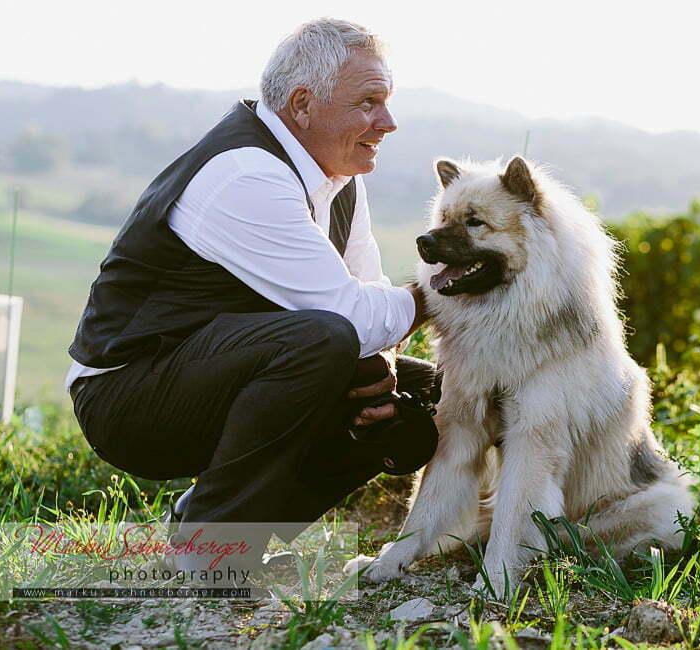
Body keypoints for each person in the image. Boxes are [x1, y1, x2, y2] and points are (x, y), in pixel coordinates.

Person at [64, 18, 434, 569]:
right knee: (322, 339)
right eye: (369, 102)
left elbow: (368, 294)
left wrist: (379, 369)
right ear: (303, 104)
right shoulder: (245, 174)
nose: (388, 122)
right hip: (128, 397)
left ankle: (216, 527)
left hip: (213, 372)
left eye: (387, 101)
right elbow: (350, 317)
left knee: (424, 391)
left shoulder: (340, 180)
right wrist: (445, 290)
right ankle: (212, 554)